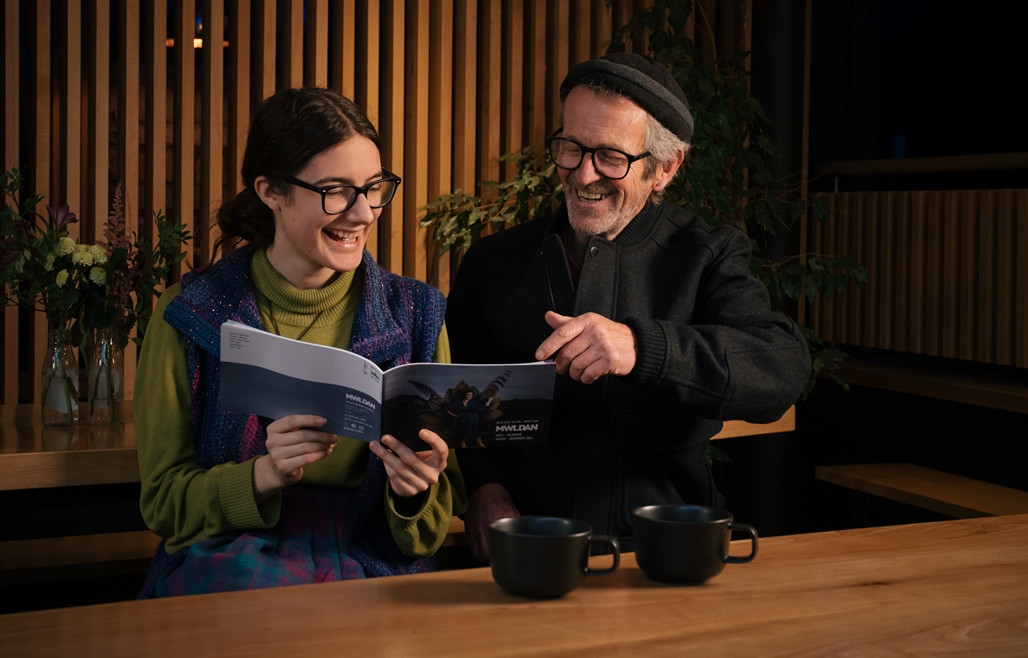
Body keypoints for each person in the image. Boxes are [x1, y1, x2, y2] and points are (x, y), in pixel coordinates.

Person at [445, 52, 811, 561]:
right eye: (570, 147)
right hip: (524, 552)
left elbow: (782, 367)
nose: (582, 174)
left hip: (664, 551)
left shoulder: (708, 254)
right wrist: (483, 488)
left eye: (611, 158)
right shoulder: (491, 263)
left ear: (665, 168)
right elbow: (459, 402)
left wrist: (643, 347)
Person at [135, 87, 466, 597]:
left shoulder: (418, 316)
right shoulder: (190, 315)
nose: (363, 214)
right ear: (270, 191)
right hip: (231, 557)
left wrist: (412, 492)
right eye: (335, 191)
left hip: (370, 556)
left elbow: (433, 517)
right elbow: (163, 503)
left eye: (374, 187)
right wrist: (263, 475)